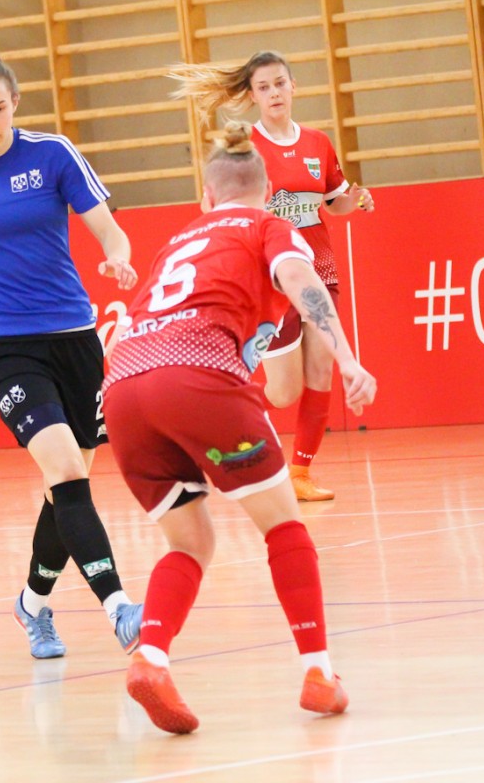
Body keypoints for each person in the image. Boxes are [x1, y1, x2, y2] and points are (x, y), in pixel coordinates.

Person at [101, 122, 377, 734]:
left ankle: (150, 658)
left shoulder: (177, 241)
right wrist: (347, 357)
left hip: (123, 387)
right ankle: (318, 673)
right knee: (283, 524)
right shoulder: (268, 226)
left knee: (190, 542)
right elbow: (303, 283)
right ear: (267, 193)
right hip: (197, 375)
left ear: (205, 196)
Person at [0, 49, 143, 659]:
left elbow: (107, 226)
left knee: (66, 485)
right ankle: (120, 607)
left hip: (76, 341)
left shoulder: (53, 155)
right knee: (65, 471)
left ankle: (32, 605)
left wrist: (117, 256)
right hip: (8, 348)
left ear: (15, 102)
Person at [169, 50, 375, 501]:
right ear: (252, 96)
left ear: (293, 86)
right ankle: (209, 418)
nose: (275, 93)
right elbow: (214, 207)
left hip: (318, 272)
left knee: (322, 369)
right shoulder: (246, 148)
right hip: (272, 280)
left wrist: (355, 200)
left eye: (280, 83)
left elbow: (334, 202)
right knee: (284, 392)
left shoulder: (318, 143)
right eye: (264, 87)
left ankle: (300, 474)